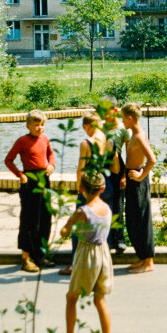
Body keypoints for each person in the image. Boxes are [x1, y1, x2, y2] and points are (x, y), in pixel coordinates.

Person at [51, 172, 114, 333]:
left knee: (71, 297)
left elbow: (64, 232)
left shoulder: (82, 212)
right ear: (102, 189)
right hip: (103, 253)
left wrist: (69, 226)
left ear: (81, 188)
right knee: (99, 298)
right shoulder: (107, 209)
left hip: (87, 255)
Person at [4, 110, 56, 272]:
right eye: (36, 125)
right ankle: (26, 258)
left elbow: (51, 154)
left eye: (42, 125)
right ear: (28, 125)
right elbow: (8, 160)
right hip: (30, 181)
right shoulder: (22, 141)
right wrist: (20, 174)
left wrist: (51, 165)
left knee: (45, 218)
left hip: (44, 180)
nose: (40, 128)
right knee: (29, 220)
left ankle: (40, 255)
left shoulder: (45, 139)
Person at [60, 111, 107, 276]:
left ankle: (75, 264)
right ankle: (98, 263)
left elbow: (81, 169)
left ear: (87, 126)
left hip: (87, 188)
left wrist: (79, 189)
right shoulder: (105, 139)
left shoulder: (86, 143)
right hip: (101, 186)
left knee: (78, 225)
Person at [121, 103, 155, 274]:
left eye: (123, 119)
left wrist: (141, 176)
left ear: (129, 118)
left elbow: (152, 160)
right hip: (132, 180)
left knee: (141, 219)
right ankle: (142, 257)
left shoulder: (140, 136)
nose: (122, 122)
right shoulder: (134, 134)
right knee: (133, 220)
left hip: (138, 181)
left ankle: (148, 261)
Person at [101, 102, 129, 255]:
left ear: (116, 110)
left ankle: (119, 240)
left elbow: (129, 152)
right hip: (103, 167)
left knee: (118, 204)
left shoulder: (123, 130)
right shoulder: (100, 128)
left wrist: (124, 175)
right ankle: (104, 238)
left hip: (118, 168)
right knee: (103, 203)